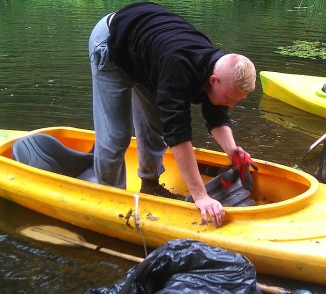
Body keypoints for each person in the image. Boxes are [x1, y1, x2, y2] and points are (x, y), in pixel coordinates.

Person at [88, 2, 256, 227]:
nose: (232, 105)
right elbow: (178, 133)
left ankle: (150, 185)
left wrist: (232, 151)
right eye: (230, 98)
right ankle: (110, 199)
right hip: (112, 44)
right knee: (116, 137)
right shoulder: (178, 65)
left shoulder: (217, 70)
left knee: (155, 124)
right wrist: (201, 196)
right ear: (214, 80)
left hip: (145, 54)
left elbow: (216, 114)